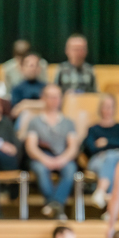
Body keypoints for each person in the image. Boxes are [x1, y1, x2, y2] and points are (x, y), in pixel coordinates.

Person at [25, 85, 79, 219]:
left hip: (63, 156)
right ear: (43, 98)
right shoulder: (35, 122)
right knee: (40, 169)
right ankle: (57, 207)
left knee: (71, 169)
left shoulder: (68, 122)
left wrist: (62, 159)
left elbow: (73, 147)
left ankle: (53, 204)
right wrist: (45, 159)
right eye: (51, 97)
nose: (54, 100)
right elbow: (31, 146)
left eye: (57, 97)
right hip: (42, 157)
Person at [82, 94, 119, 209]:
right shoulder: (93, 129)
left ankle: (101, 192)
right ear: (100, 108)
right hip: (97, 162)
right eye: (105, 106)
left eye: (110, 107)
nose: (107, 110)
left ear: (115, 108)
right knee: (114, 158)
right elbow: (91, 149)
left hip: (117, 163)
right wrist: (114, 146)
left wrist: (106, 143)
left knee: (113, 159)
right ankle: (112, 209)